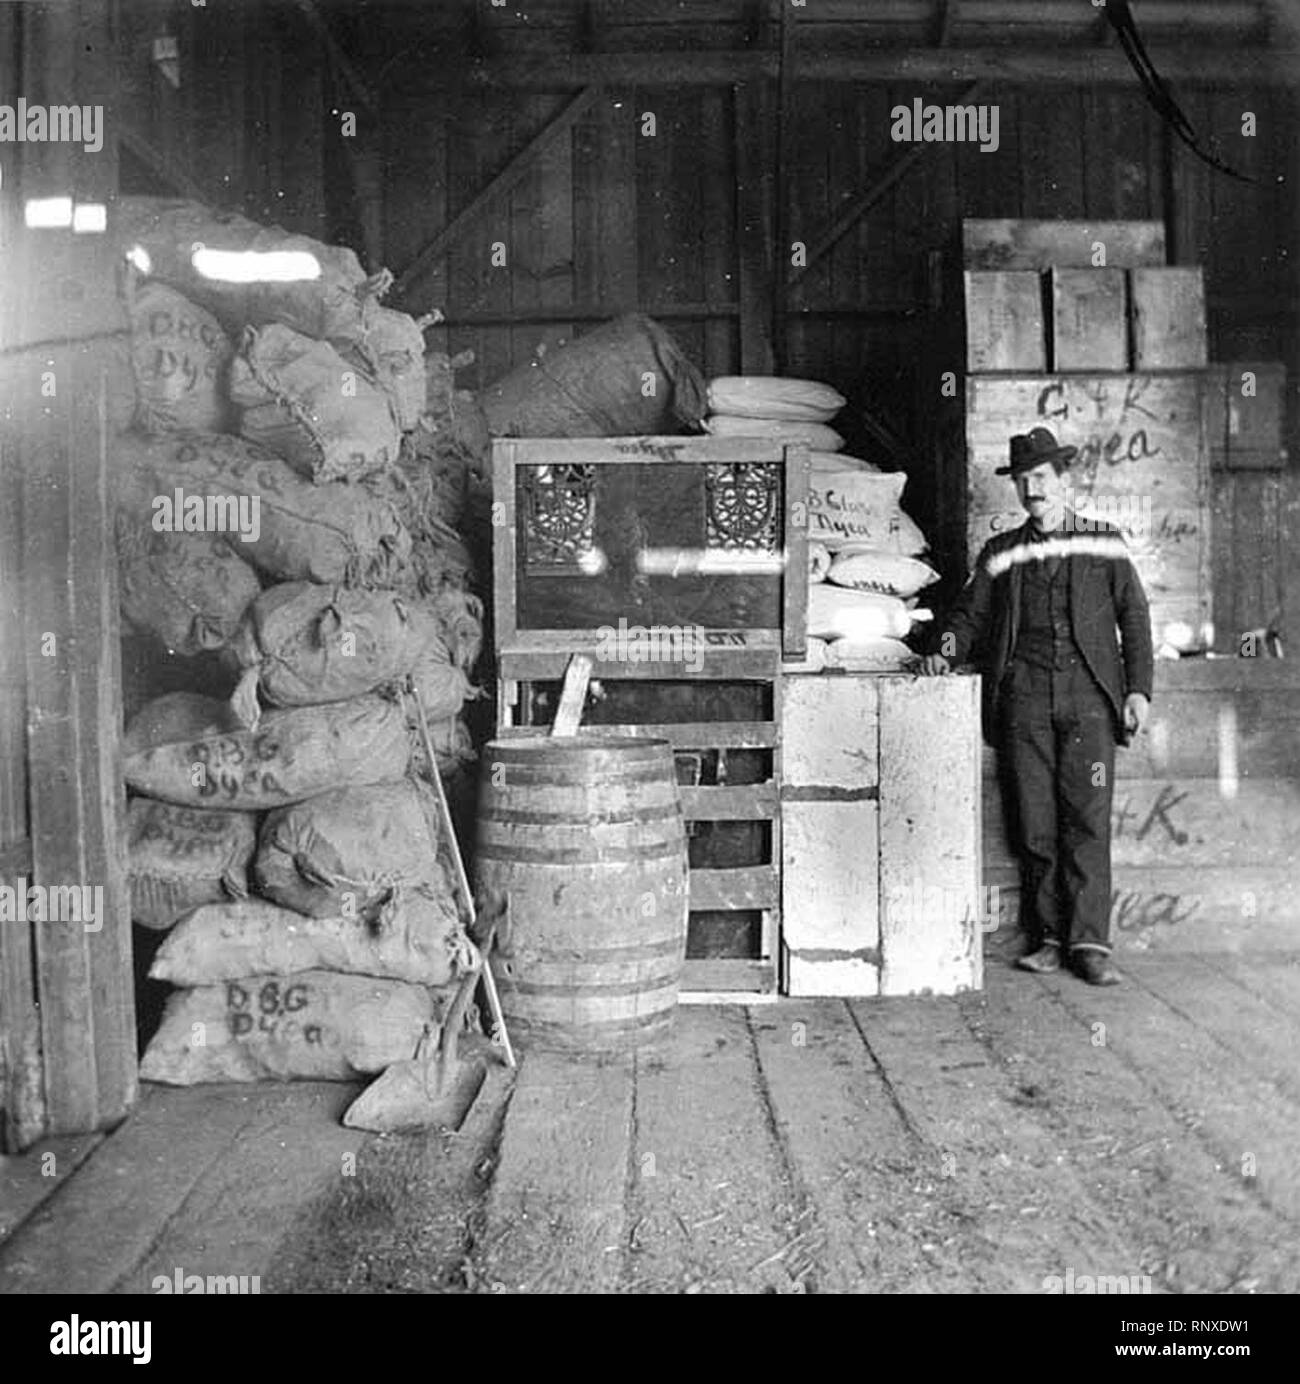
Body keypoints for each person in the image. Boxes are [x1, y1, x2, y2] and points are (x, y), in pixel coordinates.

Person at [919, 427, 1153, 986]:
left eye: (1041, 479)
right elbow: (968, 617)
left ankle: (1089, 944)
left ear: (1063, 480)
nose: (1032, 490)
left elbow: (1136, 619)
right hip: (1023, 702)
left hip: (1091, 703)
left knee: (1087, 820)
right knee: (1035, 824)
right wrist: (942, 654)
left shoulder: (1104, 542)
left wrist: (1139, 690)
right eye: (1024, 481)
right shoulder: (1003, 553)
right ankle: (1048, 938)